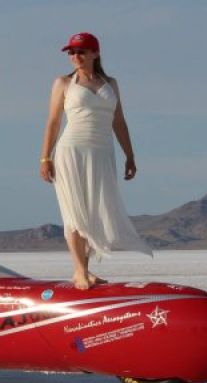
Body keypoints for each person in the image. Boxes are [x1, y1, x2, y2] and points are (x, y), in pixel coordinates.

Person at [39, 32, 152, 290]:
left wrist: (130, 155)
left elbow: (119, 121)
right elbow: (53, 122)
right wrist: (45, 157)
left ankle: (86, 271)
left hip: (102, 152)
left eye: (81, 51)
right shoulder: (63, 83)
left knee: (92, 214)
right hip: (71, 151)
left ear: (95, 53)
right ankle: (79, 271)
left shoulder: (111, 84)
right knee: (74, 213)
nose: (75, 57)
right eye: (71, 53)